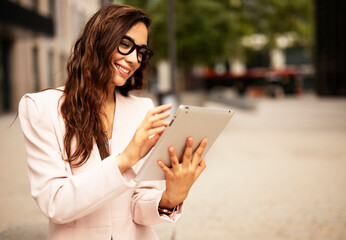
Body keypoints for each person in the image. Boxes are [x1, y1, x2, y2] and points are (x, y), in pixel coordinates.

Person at [18, 4, 207, 240]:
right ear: (98, 40)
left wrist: (169, 198)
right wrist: (124, 160)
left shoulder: (142, 110)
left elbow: (138, 206)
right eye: (125, 45)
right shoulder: (41, 108)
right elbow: (55, 204)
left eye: (141, 52)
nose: (133, 59)